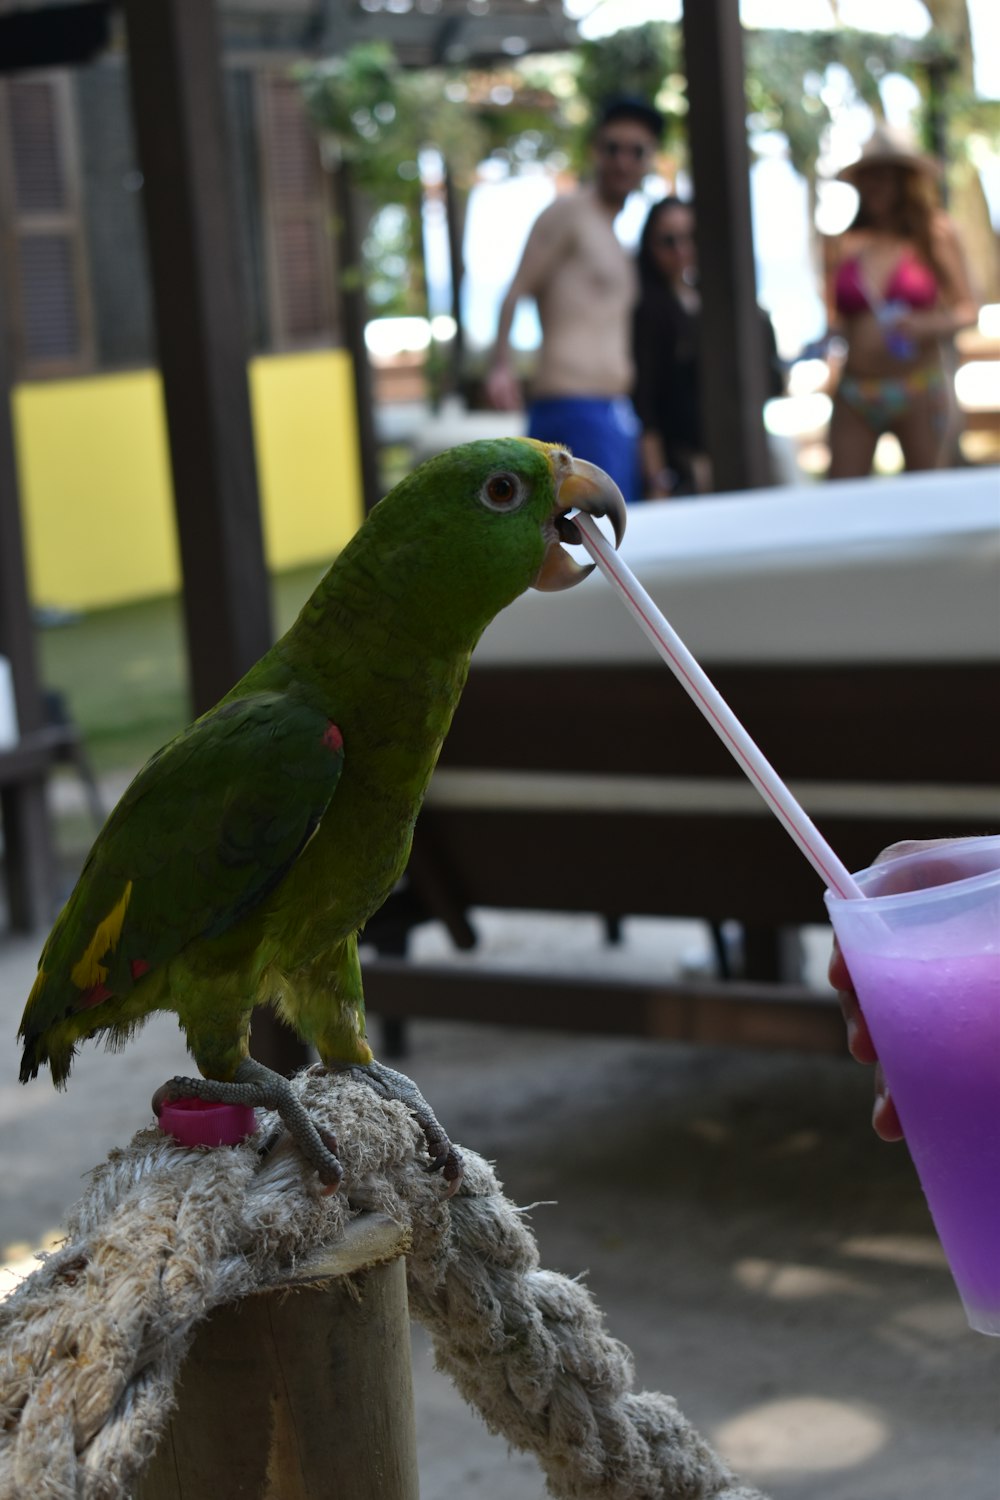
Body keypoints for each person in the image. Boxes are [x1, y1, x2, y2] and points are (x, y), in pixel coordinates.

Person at [484, 96, 664, 503]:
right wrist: (501, 367)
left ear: (649, 160)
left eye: (635, 151)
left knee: (619, 549)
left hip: (613, 412)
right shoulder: (569, 214)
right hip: (570, 407)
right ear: (595, 151)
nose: (622, 160)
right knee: (591, 552)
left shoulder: (616, 236)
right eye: (612, 148)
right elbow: (515, 291)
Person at [824, 124, 978, 479]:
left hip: (917, 387)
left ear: (904, 181)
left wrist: (926, 325)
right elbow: (835, 317)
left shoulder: (935, 233)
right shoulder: (842, 242)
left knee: (926, 499)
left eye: (884, 177)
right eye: (868, 177)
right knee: (843, 499)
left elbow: (968, 309)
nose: (874, 186)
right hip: (856, 389)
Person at [632, 196, 784, 497]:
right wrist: (658, 479)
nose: (681, 250)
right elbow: (646, 404)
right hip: (686, 465)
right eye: (668, 240)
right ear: (650, 246)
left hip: (740, 451)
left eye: (690, 238)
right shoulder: (649, 310)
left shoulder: (722, 304)